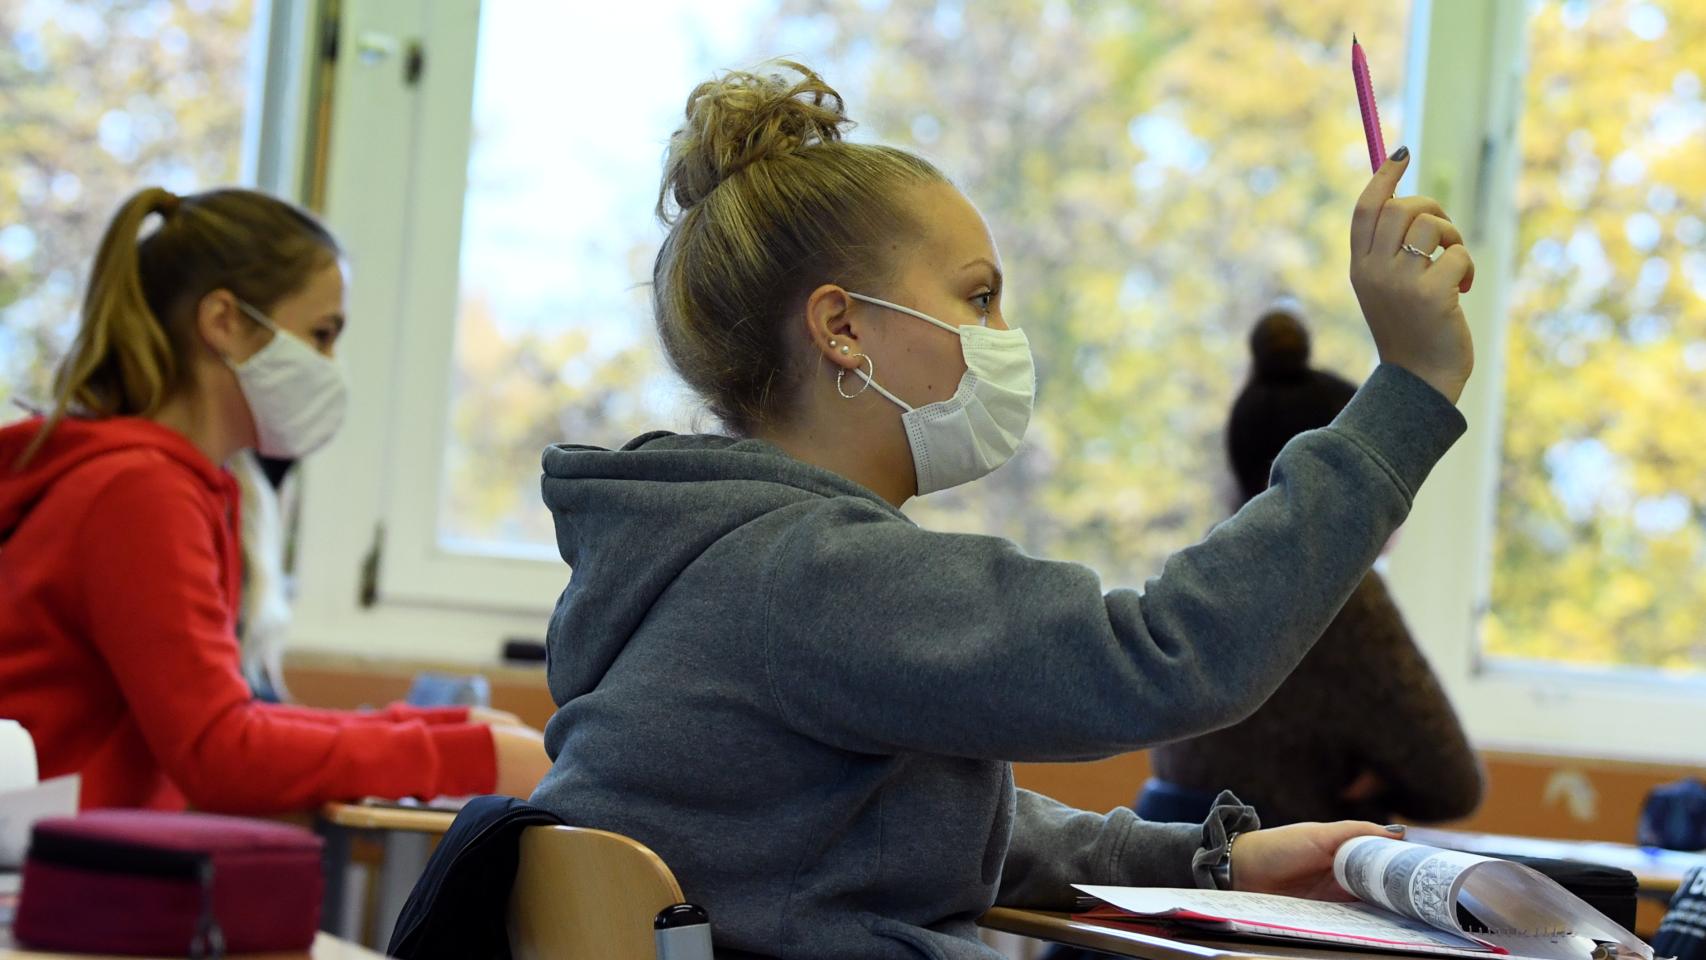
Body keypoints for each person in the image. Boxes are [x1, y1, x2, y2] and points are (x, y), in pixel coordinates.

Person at [531, 61, 1476, 960]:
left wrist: (1210, 862)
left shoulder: (713, 560)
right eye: (976, 298)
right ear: (843, 328)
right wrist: (1410, 386)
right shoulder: (817, 571)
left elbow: (915, 821)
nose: (1002, 337)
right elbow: (1168, 656)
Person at [0, 187, 551, 813]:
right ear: (224, 324)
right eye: (320, 334)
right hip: (52, 883)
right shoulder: (139, 492)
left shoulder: (165, 483)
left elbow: (225, 720)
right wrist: (472, 758)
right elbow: (221, 752)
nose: (330, 364)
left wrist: (438, 730)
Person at [1137, 309, 1485, 828]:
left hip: (1178, 872)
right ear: (1345, 483)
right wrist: (1384, 774)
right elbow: (1453, 784)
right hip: (1280, 890)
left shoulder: (1203, 566)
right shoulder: (1343, 595)